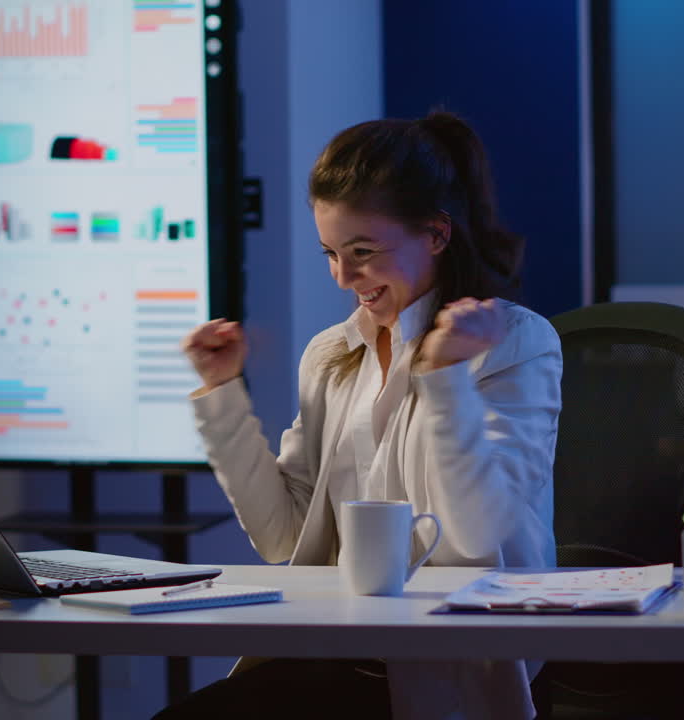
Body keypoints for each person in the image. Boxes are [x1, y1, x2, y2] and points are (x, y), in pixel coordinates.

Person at [162, 110, 562, 720]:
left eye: (363, 251)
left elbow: (478, 535)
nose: (345, 277)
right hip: (333, 650)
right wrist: (222, 394)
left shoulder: (516, 342)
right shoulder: (333, 353)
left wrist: (445, 378)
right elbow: (282, 537)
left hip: (444, 668)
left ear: (435, 234)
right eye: (330, 253)